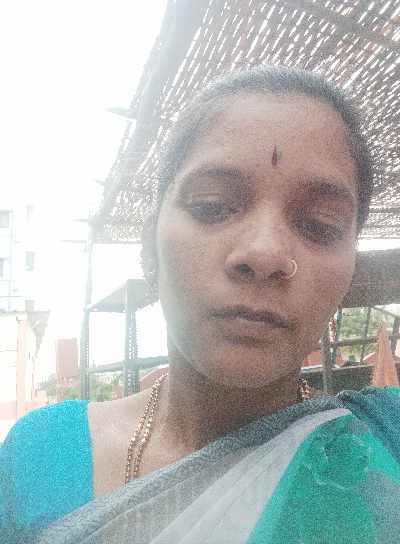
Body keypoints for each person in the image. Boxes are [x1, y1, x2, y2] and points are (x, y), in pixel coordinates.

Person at [2, 65, 400, 544]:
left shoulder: (385, 441)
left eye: (319, 225)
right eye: (212, 205)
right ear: (149, 244)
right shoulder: (39, 458)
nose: (264, 254)